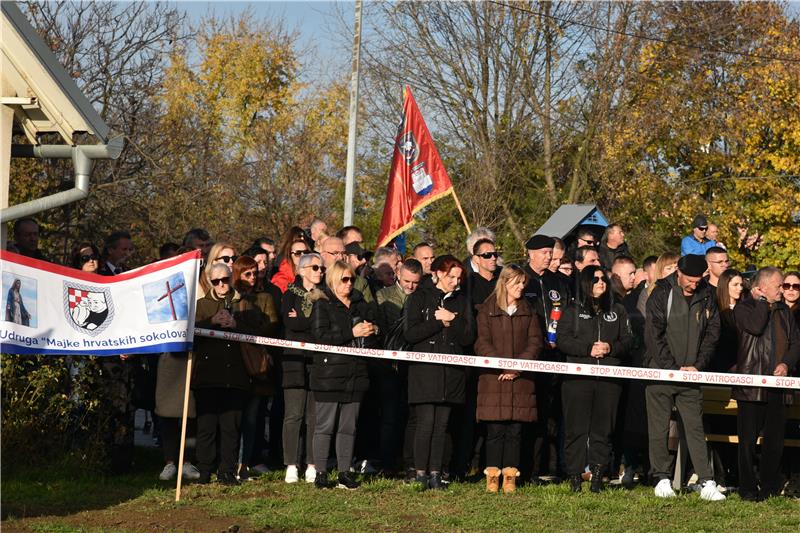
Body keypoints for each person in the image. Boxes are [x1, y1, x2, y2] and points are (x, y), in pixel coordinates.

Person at [644, 254, 725, 501]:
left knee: (695, 428)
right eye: (689, 280)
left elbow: (713, 332)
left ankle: (706, 481)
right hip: (661, 373)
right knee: (658, 428)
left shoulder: (707, 294)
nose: (693, 284)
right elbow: (653, 335)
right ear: (678, 272)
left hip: (692, 375)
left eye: (697, 280)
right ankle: (661, 478)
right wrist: (672, 367)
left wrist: (697, 366)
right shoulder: (660, 293)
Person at [404, 255, 475, 490]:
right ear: (437, 274)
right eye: (451, 277)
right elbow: (410, 334)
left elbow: (468, 336)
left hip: (451, 373)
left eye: (458, 277)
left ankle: (436, 473)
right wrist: (437, 322)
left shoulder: (462, 300)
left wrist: (452, 319)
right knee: (425, 423)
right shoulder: (418, 298)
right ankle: (420, 473)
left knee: (442, 426)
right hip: (424, 371)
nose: (455, 282)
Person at [559, 266, 632, 492]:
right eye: (595, 279)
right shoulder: (572, 310)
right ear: (585, 283)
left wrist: (611, 348)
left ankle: (599, 476)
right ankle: (574, 476)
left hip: (609, 378)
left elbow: (629, 341)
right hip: (578, 378)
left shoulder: (617, 309)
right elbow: (562, 339)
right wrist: (587, 349)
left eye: (604, 279)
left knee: (603, 429)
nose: (601, 282)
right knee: (576, 428)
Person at [474, 265, 543, 493]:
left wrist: (517, 367)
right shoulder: (487, 310)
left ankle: (510, 476)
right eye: (517, 283)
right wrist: (501, 365)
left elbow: (535, 342)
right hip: (493, 379)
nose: (521, 287)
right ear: (504, 283)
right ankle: (492, 475)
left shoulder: (529, 310)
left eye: (523, 283)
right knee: (495, 431)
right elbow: (482, 342)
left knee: (515, 430)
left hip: (520, 380)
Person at [310, 260, 378, 490]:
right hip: (329, 374)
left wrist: (372, 330)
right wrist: (351, 332)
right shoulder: (323, 304)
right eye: (344, 279)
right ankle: (320, 472)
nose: (349, 284)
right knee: (325, 426)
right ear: (333, 280)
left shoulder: (360, 303)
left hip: (356, 372)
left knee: (348, 428)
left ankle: (344, 472)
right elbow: (320, 336)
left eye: (352, 279)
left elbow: (376, 323)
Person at [734, 267, 800, 501]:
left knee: (774, 441)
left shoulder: (785, 311)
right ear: (761, 287)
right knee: (747, 443)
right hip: (751, 386)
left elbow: (795, 344)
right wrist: (763, 302)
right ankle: (748, 489)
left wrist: (785, 364)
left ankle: (769, 487)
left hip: (778, 387)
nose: (782, 290)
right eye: (778, 285)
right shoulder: (744, 308)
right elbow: (754, 326)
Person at [192, 263, 252, 485]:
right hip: (208, 375)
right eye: (215, 281)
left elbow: (258, 333)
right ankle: (205, 469)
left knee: (231, 427)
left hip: (236, 375)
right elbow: (190, 335)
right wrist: (211, 323)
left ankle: (227, 470)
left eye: (224, 280)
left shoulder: (244, 303)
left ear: (231, 279)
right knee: (206, 426)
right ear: (209, 281)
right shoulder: (201, 306)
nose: (221, 285)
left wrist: (236, 324)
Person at [522, 234, 570, 481]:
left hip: (556, 355)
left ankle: (553, 468)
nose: (548, 256)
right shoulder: (521, 279)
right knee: (532, 413)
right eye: (543, 252)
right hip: (530, 355)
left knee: (554, 414)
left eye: (550, 252)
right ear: (530, 253)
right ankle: (529, 468)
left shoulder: (559, 281)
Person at [233, 256, 280, 480]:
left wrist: (247, 325)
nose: (253, 278)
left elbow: (271, 326)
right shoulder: (230, 298)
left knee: (252, 417)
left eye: (255, 273)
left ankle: (247, 462)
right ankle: (229, 462)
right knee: (233, 417)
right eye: (247, 274)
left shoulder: (264, 297)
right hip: (233, 363)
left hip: (255, 363)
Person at [281, 252, 326, 484]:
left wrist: (304, 321)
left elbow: (323, 326)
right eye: (315, 267)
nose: (320, 271)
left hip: (317, 361)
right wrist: (308, 322)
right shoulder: (290, 294)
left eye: (322, 268)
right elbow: (291, 322)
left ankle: (311, 463)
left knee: (315, 417)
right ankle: (291, 464)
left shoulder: (326, 295)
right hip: (294, 362)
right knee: (293, 415)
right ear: (302, 270)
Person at [375, 259, 423, 475]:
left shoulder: (423, 298)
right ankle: (387, 463)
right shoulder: (383, 297)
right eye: (406, 281)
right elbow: (383, 330)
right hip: (389, 364)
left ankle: (408, 461)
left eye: (415, 282)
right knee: (389, 417)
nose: (410, 286)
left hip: (414, 365)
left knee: (411, 416)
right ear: (397, 274)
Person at [711, 269, 745, 373]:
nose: (740, 288)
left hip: (743, 366)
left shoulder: (746, 309)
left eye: (741, 284)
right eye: (735, 285)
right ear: (725, 286)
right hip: (719, 367)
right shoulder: (714, 309)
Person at [638, 252, 680, 317]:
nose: (674, 271)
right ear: (660, 272)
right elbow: (644, 320)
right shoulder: (647, 293)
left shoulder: (685, 291)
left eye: (676, 267)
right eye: (669, 268)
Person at [271, 227, 312, 293]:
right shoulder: (280, 279)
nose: (302, 256)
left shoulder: (316, 273)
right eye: (298, 253)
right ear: (290, 255)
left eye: (306, 252)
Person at [467, 238, 501, 308]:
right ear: (476, 259)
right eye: (487, 255)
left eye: (495, 254)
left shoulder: (504, 278)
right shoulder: (469, 283)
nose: (493, 258)